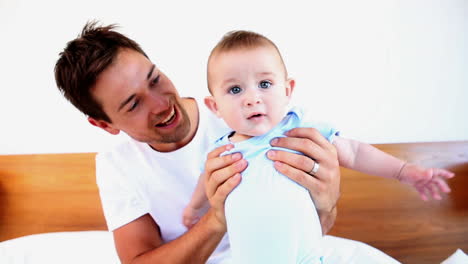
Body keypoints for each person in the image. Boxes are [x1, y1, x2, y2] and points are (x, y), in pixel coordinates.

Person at [54, 21, 343, 264]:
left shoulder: (250, 115)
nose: (161, 104)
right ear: (105, 125)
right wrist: (217, 218)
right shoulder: (117, 165)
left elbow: (315, 227)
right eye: (133, 105)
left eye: (154, 79)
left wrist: (326, 201)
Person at [182, 30, 455, 263]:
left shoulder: (300, 132)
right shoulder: (222, 150)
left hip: (307, 256)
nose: (252, 98)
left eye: (264, 84)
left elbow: (355, 152)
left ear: (287, 90)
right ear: (215, 106)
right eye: (235, 90)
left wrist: (404, 171)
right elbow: (207, 180)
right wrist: (195, 208)